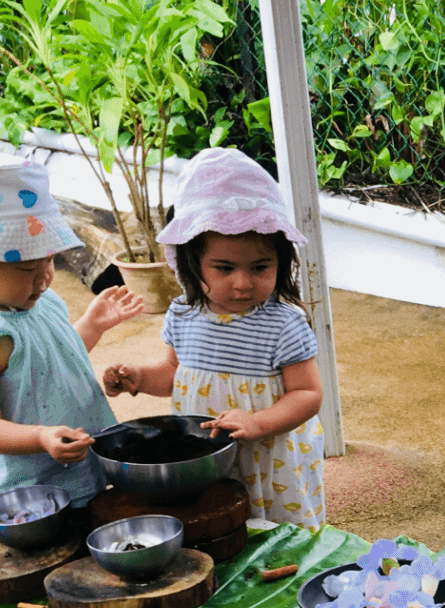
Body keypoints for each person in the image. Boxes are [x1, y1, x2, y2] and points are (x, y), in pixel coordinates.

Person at [101, 148, 326, 529]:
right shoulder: (184, 313)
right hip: (203, 453)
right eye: (224, 268)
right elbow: (174, 372)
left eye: (260, 267)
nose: (243, 282)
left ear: (281, 260)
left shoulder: (283, 324)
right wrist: (138, 379)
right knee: (215, 521)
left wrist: (258, 423)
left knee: (273, 529)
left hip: (267, 454)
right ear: (190, 261)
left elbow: (307, 394)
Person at [0, 152, 145, 524]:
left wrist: (92, 325)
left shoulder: (41, 301)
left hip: (76, 474)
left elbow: (49, 361)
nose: (44, 279)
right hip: (25, 496)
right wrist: (40, 437)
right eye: (26, 268)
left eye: (49, 261)